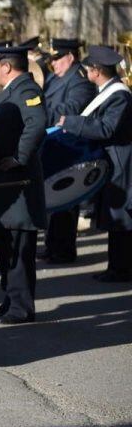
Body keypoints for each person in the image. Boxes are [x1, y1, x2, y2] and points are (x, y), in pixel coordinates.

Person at [0, 45, 47, 325]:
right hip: (4, 186)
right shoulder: (11, 92)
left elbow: (37, 124)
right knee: (5, 245)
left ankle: (22, 306)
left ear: (5, 67)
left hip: (18, 185)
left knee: (18, 246)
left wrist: (19, 157)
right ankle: (11, 299)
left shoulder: (26, 90)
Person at [56, 45, 132, 282]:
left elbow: (107, 128)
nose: (86, 72)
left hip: (120, 162)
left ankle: (122, 269)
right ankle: (116, 266)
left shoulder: (119, 95)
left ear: (97, 71)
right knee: (114, 218)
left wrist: (72, 122)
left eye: (89, 68)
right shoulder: (108, 91)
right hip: (112, 161)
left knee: (120, 218)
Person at [40, 39, 97, 264]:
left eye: (57, 58)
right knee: (52, 199)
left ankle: (64, 249)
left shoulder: (79, 80)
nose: (53, 64)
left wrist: (40, 110)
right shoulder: (55, 78)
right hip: (53, 143)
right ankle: (52, 245)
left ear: (70, 57)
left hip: (69, 145)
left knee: (66, 198)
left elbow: (72, 108)